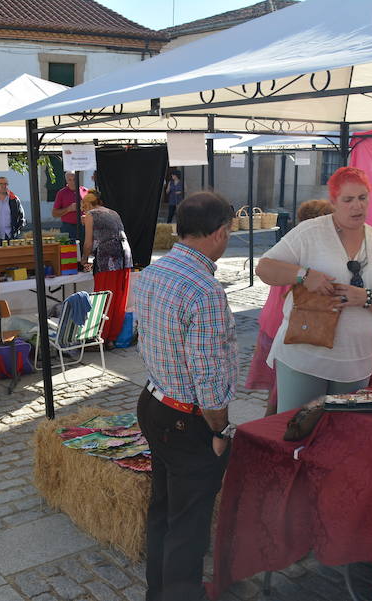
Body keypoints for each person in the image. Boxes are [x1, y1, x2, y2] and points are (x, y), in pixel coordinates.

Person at [135, 191, 237, 601]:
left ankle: (157, 593)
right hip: (185, 417)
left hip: (154, 402)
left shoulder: (152, 272)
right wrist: (221, 429)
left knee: (163, 510)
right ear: (218, 233)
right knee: (188, 526)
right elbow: (209, 378)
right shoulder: (205, 290)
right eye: (229, 231)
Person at [255, 167, 372, 413]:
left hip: (356, 361)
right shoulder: (310, 232)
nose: (357, 206)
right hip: (305, 357)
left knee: (341, 440)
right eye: (348, 200)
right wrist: (304, 275)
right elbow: (264, 268)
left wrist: (365, 297)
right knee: (296, 432)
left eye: (362, 198)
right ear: (334, 201)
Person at [246, 199, 335, 416]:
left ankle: (267, 430)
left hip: (271, 323)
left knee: (275, 393)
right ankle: (269, 435)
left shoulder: (289, 246)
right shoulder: (311, 253)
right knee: (280, 397)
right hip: (288, 329)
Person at [80, 189, 132, 347]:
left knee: (102, 298)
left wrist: (84, 260)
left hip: (108, 259)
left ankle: (99, 338)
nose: (82, 209)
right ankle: (111, 338)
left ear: (88, 204)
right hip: (125, 257)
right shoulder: (113, 212)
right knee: (117, 299)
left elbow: (89, 243)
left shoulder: (91, 215)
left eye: (83, 205)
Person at [0, 176, 25, 241]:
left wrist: (17, 230)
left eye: (5, 184)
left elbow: (21, 217)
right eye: (1, 184)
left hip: (12, 235)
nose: (3, 186)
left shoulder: (14, 199)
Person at [52, 171, 87, 241]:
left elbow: (92, 208)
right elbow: (54, 213)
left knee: (84, 249)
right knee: (69, 250)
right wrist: (69, 209)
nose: (72, 182)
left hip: (84, 226)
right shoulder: (61, 193)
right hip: (68, 227)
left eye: (74, 179)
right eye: (69, 180)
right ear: (66, 181)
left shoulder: (85, 191)